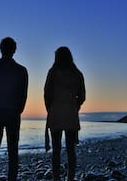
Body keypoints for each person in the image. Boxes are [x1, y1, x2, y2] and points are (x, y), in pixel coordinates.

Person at [0, 37, 28, 181]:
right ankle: (11, 178)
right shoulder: (21, 70)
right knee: (12, 150)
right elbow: (23, 94)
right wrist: (19, 109)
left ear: (1, 49)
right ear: (14, 50)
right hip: (11, 112)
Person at [44, 46, 85, 181]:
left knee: (56, 149)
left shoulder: (53, 72)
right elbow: (82, 96)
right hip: (71, 113)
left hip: (55, 112)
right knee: (70, 149)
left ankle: (57, 178)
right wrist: (75, 106)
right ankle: (70, 178)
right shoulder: (77, 74)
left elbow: (46, 93)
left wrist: (49, 108)